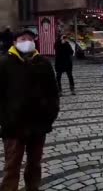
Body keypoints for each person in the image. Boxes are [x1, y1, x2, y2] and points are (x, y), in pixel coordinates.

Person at [0, 29, 59, 191]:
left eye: (30, 38)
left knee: (35, 163)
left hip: (38, 124)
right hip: (14, 125)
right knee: (12, 165)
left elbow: (53, 92)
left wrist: (50, 114)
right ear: (14, 42)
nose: (27, 41)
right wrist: (5, 118)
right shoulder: (4, 63)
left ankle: (33, 188)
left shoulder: (43, 63)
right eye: (22, 38)